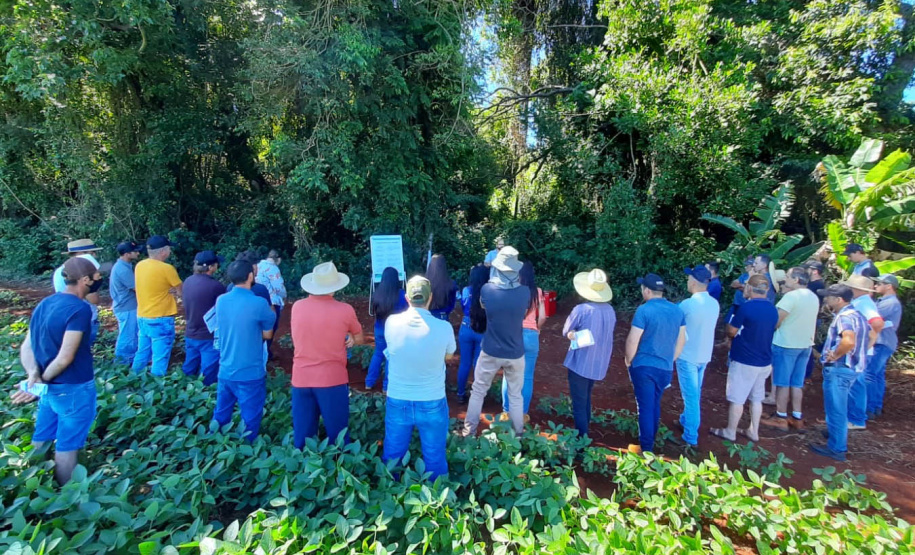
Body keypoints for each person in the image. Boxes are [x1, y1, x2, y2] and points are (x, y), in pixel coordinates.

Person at [12, 258, 100, 484]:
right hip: (73, 387)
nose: (99, 280)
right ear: (84, 280)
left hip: (49, 390)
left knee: (42, 437)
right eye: (96, 276)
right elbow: (65, 356)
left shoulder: (45, 303)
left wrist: (34, 375)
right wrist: (39, 383)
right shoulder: (80, 309)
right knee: (67, 446)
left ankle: (33, 485)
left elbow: (27, 346)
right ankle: (67, 497)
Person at [382, 276, 456, 481]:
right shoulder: (444, 328)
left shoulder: (391, 323)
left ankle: (389, 495)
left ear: (406, 298)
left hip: (398, 399)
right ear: (430, 297)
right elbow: (448, 357)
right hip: (432, 399)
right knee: (435, 458)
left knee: (392, 456)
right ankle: (437, 503)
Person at [290, 262, 364, 447]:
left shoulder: (297, 307)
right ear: (335, 287)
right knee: (338, 437)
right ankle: (339, 472)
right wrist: (351, 338)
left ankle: (302, 471)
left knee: (303, 437)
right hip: (332, 379)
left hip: (301, 378)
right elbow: (360, 338)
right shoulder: (345, 310)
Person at [462, 246, 530, 437]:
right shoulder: (524, 293)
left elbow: (484, 307)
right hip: (516, 350)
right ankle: (518, 435)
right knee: (515, 396)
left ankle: (469, 431)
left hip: (491, 348)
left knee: (478, 391)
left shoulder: (487, 290)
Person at [211, 260, 277, 442]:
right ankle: (246, 451)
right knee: (250, 419)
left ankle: (211, 445)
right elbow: (267, 334)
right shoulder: (259, 303)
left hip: (225, 369)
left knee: (221, 413)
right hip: (250, 372)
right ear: (250, 276)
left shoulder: (221, 300)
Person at [710, 275, 779, 443]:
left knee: (737, 398)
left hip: (745, 359)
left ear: (749, 288)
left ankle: (730, 431)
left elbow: (731, 331)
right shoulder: (773, 309)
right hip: (764, 360)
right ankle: (753, 431)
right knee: (756, 397)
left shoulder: (746, 308)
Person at [624, 273, 686, 453]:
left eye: (643, 288)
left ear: (648, 291)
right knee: (654, 403)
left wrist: (629, 360)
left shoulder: (644, 310)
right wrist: (670, 358)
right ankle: (650, 440)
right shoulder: (677, 310)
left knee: (644, 407)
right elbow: (681, 340)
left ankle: (646, 448)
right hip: (665, 367)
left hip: (644, 366)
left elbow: (632, 340)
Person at [808, 284, 870, 462]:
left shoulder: (844, 317)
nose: (826, 300)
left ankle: (837, 448)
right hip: (852, 368)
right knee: (839, 407)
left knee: (836, 409)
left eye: (828, 297)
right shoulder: (858, 314)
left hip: (840, 369)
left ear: (839, 300)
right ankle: (836, 433)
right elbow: (869, 336)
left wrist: (835, 355)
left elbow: (849, 341)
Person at [760, 267, 819, 432]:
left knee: (782, 383)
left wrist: (771, 330)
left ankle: (780, 417)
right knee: (796, 383)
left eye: (788, 276)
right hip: (805, 345)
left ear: (796, 280)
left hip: (786, 344)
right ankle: (797, 417)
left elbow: (777, 318)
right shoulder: (813, 297)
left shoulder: (791, 296)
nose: (785, 279)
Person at [562, 268, 616, 437]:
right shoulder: (610, 310)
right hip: (598, 362)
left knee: (579, 401)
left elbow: (566, 331)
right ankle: (585, 431)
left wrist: (572, 335)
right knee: (586, 397)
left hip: (581, 361)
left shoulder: (582, 309)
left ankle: (582, 439)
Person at [675, 266, 719, 446]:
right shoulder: (714, 303)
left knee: (691, 397)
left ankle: (690, 436)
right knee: (695, 391)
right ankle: (686, 420)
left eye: (688, 279)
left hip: (688, 355)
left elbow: (674, 323)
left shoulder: (687, 305)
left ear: (693, 282)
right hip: (704, 354)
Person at [132, 235, 182, 376]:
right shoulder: (167, 268)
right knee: (160, 357)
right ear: (164, 251)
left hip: (142, 316)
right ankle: (156, 386)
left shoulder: (139, 265)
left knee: (142, 351)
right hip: (160, 318)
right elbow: (181, 291)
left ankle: (132, 380)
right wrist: (174, 291)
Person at [502, 261, 547, 417]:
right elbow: (542, 316)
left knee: (508, 375)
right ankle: (523, 414)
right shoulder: (538, 291)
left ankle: (507, 412)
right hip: (531, 335)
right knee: (527, 377)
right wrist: (538, 328)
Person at [842, 275, 884, 430]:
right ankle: (855, 417)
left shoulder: (864, 304)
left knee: (856, 384)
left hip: (859, 351)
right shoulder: (861, 302)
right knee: (856, 383)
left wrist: (867, 344)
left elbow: (877, 323)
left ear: (858, 289)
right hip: (859, 349)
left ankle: (856, 419)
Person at [182, 251, 226, 386]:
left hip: (190, 331)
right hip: (208, 335)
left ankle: (183, 389)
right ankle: (205, 394)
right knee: (208, 372)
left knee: (189, 367)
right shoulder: (216, 286)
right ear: (211, 267)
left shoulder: (188, 281)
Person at [866, 274, 903, 419]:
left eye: (879, 283)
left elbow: (870, 316)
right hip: (884, 342)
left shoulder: (890, 303)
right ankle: (875, 407)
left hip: (881, 342)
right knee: (877, 375)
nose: (876, 286)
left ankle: (869, 408)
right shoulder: (888, 301)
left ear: (889, 286)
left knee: (869, 374)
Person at [53, 239, 102, 343]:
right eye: (92, 253)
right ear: (80, 254)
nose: (95, 256)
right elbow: (93, 299)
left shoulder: (59, 271)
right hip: (84, 319)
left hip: (66, 316)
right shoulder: (82, 272)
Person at [367, 267, 407, 390]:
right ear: (396, 279)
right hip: (395, 330)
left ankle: (369, 382)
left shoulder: (377, 294)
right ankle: (386, 386)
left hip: (379, 329)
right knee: (391, 355)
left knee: (378, 354)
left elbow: (373, 313)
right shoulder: (402, 295)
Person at [456, 264, 488, 404]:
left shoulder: (465, 290)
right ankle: (478, 396)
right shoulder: (490, 292)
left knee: (464, 362)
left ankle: (460, 394)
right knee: (478, 364)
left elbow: (463, 306)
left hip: (466, 326)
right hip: (483, 328)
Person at [110, 241, 141, 365]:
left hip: (125, 306)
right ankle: (122, 364)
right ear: (127, 254)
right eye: (135, 251)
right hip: (126, 307)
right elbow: (137, 288)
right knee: (128, 336)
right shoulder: (123, 269)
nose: (138, 253)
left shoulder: (123, 266)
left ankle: (126, 362)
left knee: (130, 335)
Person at [256, 250, 287, 356]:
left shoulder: (258, 265)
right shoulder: (273, 268)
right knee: (270, 327)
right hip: (272, 302)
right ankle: (266, 353)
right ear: (278, 259)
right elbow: (279, 288)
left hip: (257, 299)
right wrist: (284, 296)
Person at [426, 254, 458, 321]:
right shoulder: (451, 284)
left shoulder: (425, 283)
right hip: (443, 316)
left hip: (427, 316)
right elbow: (452, 305)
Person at [725, 256, 755, 326]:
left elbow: (749, 291)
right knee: (729, 322)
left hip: (744, 305)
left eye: (747, 265)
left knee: (738, 325)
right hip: (736, 303)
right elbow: (733, 284)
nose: (745, 267)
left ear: (752, 267)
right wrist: (743, 285)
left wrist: (740, 286)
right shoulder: (744, 275)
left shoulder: (755, 277)